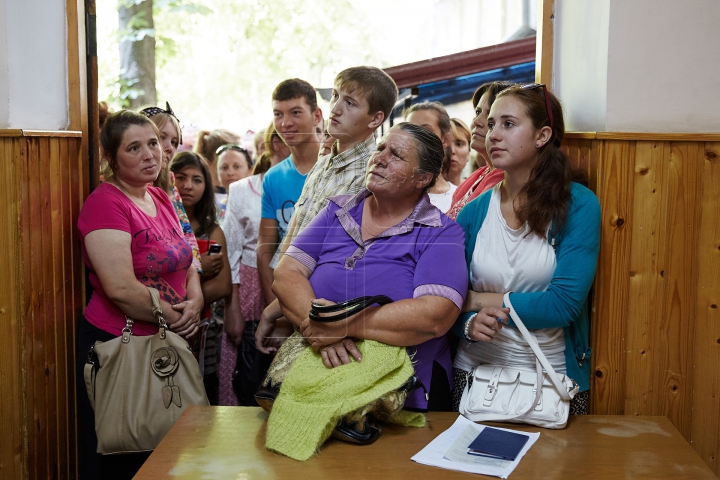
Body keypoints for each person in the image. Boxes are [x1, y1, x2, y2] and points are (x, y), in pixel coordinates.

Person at [273, 123, 468, 411]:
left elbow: (434, 316)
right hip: (319, 384)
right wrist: (324, 333)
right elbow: (286, 274)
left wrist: (339, 324)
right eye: (380, 149)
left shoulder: (441, 232)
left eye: (397, 155)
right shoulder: (336, 211)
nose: (380, 157)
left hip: (403, 396)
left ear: (422, 178)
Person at [450, 84, 601, 415]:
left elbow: (561, 307)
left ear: (542, 135)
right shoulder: (472, 212)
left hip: (551, 379)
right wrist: (468, 322)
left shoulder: (578, 205)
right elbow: (446, 300)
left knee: (554, 468)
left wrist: (477, 299)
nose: (493, 135)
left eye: (508, 124)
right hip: (474, 374)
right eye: (490, 124)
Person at [76, 110, 202, 479]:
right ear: (111, 158)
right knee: (126, 451)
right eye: (135, 147)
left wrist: (195, 300)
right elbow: (121, 288)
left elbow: (186, 258)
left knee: (170, 451)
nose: (151, 154)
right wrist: (179, 318)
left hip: (166, 339)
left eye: (153, 143)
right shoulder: (105, 203)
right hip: (120, 343)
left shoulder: (161, 198)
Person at [255, 66, 399, 357]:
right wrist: (279, 300)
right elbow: (293, 235)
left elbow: (339, 258)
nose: (335, 108)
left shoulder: (372, 174)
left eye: (350, 103)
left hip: (331, 316)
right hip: (297, 301)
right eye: (335, 96)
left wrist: (289, 307)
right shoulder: (324, 162)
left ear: (376, 119)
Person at [170, 151, 232, 405]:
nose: (187, 186)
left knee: (202, 388)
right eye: (181, 177)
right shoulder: (164, 225)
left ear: (206, 186)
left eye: (197, 180)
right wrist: (200, 268)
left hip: (202, 328)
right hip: (167, 324)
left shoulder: (212, 231)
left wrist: (187, 305)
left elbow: (223, 284)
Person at [256, 78, 322, 307]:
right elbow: (266, 248)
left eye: (295, 112)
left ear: (317, 116)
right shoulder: (273, 177)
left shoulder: (339, 168)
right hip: (290, 297)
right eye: (278, 114)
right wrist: (273, 304)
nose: (285, 123)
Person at [140, 102, 203, 273]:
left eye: (175, 142)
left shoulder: (169, 181)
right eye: (161, 137)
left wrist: (194, 276)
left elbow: (185, 233)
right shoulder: (135, 185)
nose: (169, 147)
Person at [446, 81, 514, 220]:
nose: (477, 121)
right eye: (478, 112)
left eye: (490, 117)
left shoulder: (507, 182)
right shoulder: (480, 174)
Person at [403, 101, 457, 212]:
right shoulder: (393, 195)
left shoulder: (460, 197)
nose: (415, 138)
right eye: (409, 131)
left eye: (425, 131)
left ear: (445, 140)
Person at [214, 143, 254, 220]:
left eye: (237, 167)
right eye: (224, 167)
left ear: (250, 171)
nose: (230, 173)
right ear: (217, 172)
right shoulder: (212, 211)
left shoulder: (261, 206)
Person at [446, 118, 471, 186]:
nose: (452, 151)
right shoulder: (420, 193)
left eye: (459, 144)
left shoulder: (477, 190)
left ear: (468, 152)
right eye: (446, 144)